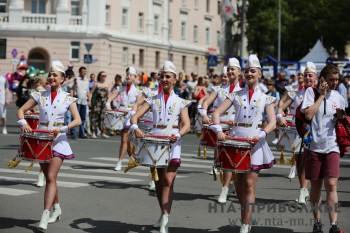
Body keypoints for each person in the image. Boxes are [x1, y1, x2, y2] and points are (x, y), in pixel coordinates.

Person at [211, 54, 276, 233]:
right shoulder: (235, 96)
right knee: (239, 185)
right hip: (235, 141)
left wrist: (262, 134)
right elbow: (216, 113)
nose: (249, 74)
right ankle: (244, 213)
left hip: (254, 142)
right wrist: (218, 131)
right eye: (246, 71)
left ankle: (245, 225)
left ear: (259, 74)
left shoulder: (266, 98)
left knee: (249, 184)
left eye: (252, 71)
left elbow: (272, 122)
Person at [16, 60, 81, 231]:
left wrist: (63, 128)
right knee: (49, 178)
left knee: (51, 177)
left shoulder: (68, 98)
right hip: (42, 141)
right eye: (50, 74)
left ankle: (45, 213)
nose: (51, 77)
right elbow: (20, 110)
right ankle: (57, 208)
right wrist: (24, 123)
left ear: (62, 79)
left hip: (58, 141)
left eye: (55, 75)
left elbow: (78, 120)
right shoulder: (39, 95)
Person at [130, 60, 191, 233]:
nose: (164, 79)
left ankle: (165, 217)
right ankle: (163, 213)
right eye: (162, 76)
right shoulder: (152, 100)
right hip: (155, 141)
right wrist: (135, 129)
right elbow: (134, 117)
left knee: (168, 180)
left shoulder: (181, 102)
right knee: (158, 181)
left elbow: (187, 125)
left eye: (168, 77)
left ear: (174, 79)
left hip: (172, 142)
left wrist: (179, 134)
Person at [301, 64, 345, 233]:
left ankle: (334, 224)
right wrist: (321, 95)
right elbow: (309, 114)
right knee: (316, 186)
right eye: (331, 80)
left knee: (332, 184)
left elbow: (341, 119)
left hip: (332, 145)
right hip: (314, 146)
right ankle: (317, 221)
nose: (334, 83)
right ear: (323, 79)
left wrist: (341, 117)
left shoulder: (339, 97)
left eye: (337, 80)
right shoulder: (310, 93)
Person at [199, 58, 243, 204]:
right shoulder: (218, 89)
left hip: (236, 128)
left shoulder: (243, 90)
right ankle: (227, 186)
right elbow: (205, 103)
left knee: (233, 160)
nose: (229, 73)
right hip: (221, 126)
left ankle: (227, 187)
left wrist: (236, 121)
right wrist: (204, 115)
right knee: (224, 160)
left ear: (239, 72)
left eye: (232, 69)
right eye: (228, 70)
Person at [277, 64, 316, 205]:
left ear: (316, 77)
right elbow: (281, 107)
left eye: (310, 75)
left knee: (313, 161)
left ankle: (312, 190)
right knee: (300, 160)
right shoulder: (296, 94)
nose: (307, 77)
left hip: (317, 134)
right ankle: (303, 189)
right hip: (300, 132)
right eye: (305, 75)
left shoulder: (320, 93)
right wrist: (279, 116)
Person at [106, 67, 142, 171]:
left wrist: (132, 112)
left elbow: (139, 105)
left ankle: (120, 161)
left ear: (135, 77)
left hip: (130, 118)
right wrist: (108, 105)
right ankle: (132, 158)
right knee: (125, 139)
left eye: (131, 75)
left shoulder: (138, 92)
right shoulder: (120, 89)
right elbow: (110, 98)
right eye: (127, 74)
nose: (128, 76)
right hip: (120, 117)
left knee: (124, 139)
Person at [89, 71, 110, 139]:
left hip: (103, 104)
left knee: (102, 118)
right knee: (94, 118)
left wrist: (108, 104)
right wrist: (90, 101)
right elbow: (91, 93)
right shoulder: (96, 84)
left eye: (105, 75)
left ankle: (102, 132)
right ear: (100, 76)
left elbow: (108, 95)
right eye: (103, 75)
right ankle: (94, 132)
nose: (104, 77)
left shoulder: (107, 84)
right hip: (97, 104)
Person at [72, 66, 89, 139]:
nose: (84, 73)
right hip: (77, 101)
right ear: (79, 72)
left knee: (83, 118)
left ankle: (81, 133)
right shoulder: (76, 79)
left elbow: (87, 91)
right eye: (83, 71)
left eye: (85, 71)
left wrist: (89, 100)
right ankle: (73, 133)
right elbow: (72, 89)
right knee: (75, 117)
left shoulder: (86, 80)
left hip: (84, 101)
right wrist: (74, 83)